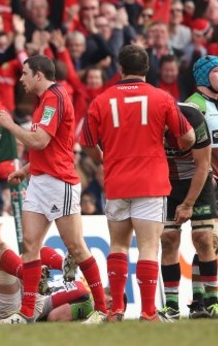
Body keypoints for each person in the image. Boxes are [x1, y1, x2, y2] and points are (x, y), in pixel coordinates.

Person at [80, 44, 194, 322]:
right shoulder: (162, 98)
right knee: (148, 246)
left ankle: (116, 309)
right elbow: (188, 138)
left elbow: (86, 142)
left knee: (118, 245)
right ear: (146, 69)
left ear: (119, 69)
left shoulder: (101, 100)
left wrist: (106, 160)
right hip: (151, 181)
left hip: (117, 181)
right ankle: (147, 312)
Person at [0, 55, 109, 324]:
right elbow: (51, 146)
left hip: (60, 183)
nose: (21, 79)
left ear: (38, 75)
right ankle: (26, 313)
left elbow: (39, 140)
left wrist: (10, 125)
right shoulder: (44, 102)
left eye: (25, 73)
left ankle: (103, 310)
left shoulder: (55, 98)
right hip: (39, 181)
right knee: (31, 245)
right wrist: (25, 169)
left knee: (76, 247)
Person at [161, 102, 218, 320]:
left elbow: (202, 165)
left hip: (198, 179)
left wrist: (188, 204)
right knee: (168, 239)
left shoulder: (193, 117)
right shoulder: (149, 120)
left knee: (204, 238)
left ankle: (212, 302)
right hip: (167, 182)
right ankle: (171, 306)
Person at [184, 55, 218, 318]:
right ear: (202, 76)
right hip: (212, 181)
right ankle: (201, 303)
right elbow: (186, 141)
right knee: (207, 241)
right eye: (216, 71)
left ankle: (200, 301)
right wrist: (205, 169)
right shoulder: (194, 104)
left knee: (216, 244)